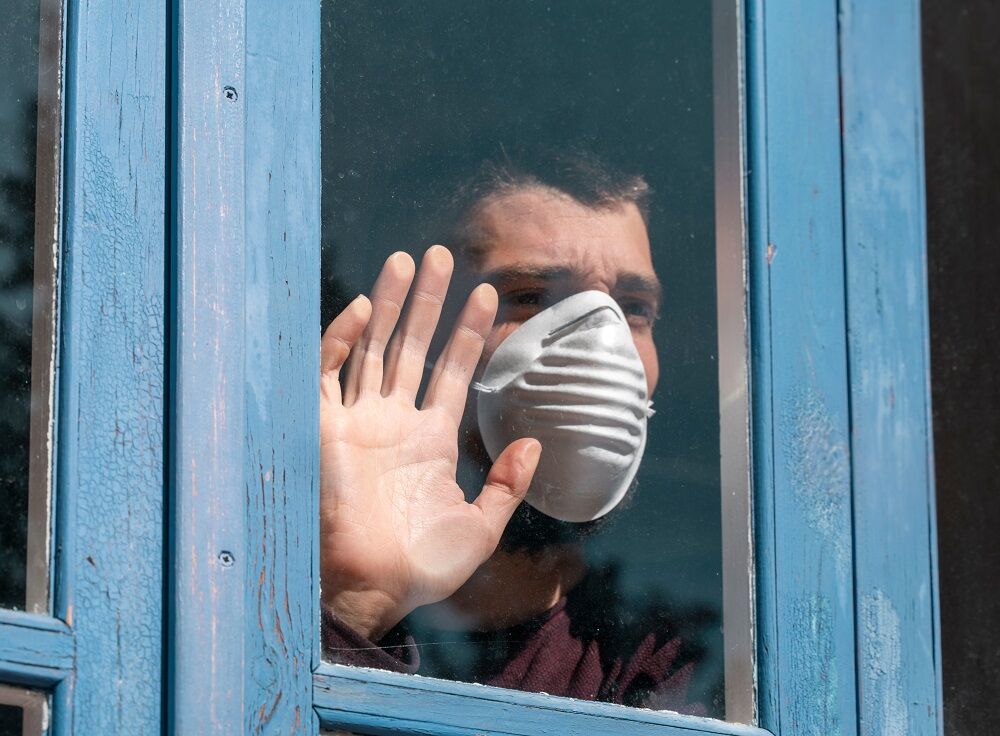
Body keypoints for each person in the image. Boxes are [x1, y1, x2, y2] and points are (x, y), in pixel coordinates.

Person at [319, 150, 712, 715]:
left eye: (633, 308)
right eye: (530, 296)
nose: (603, 349)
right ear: (420, 332)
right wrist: (355, 607)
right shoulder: (264, 584)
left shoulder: (671, 662)